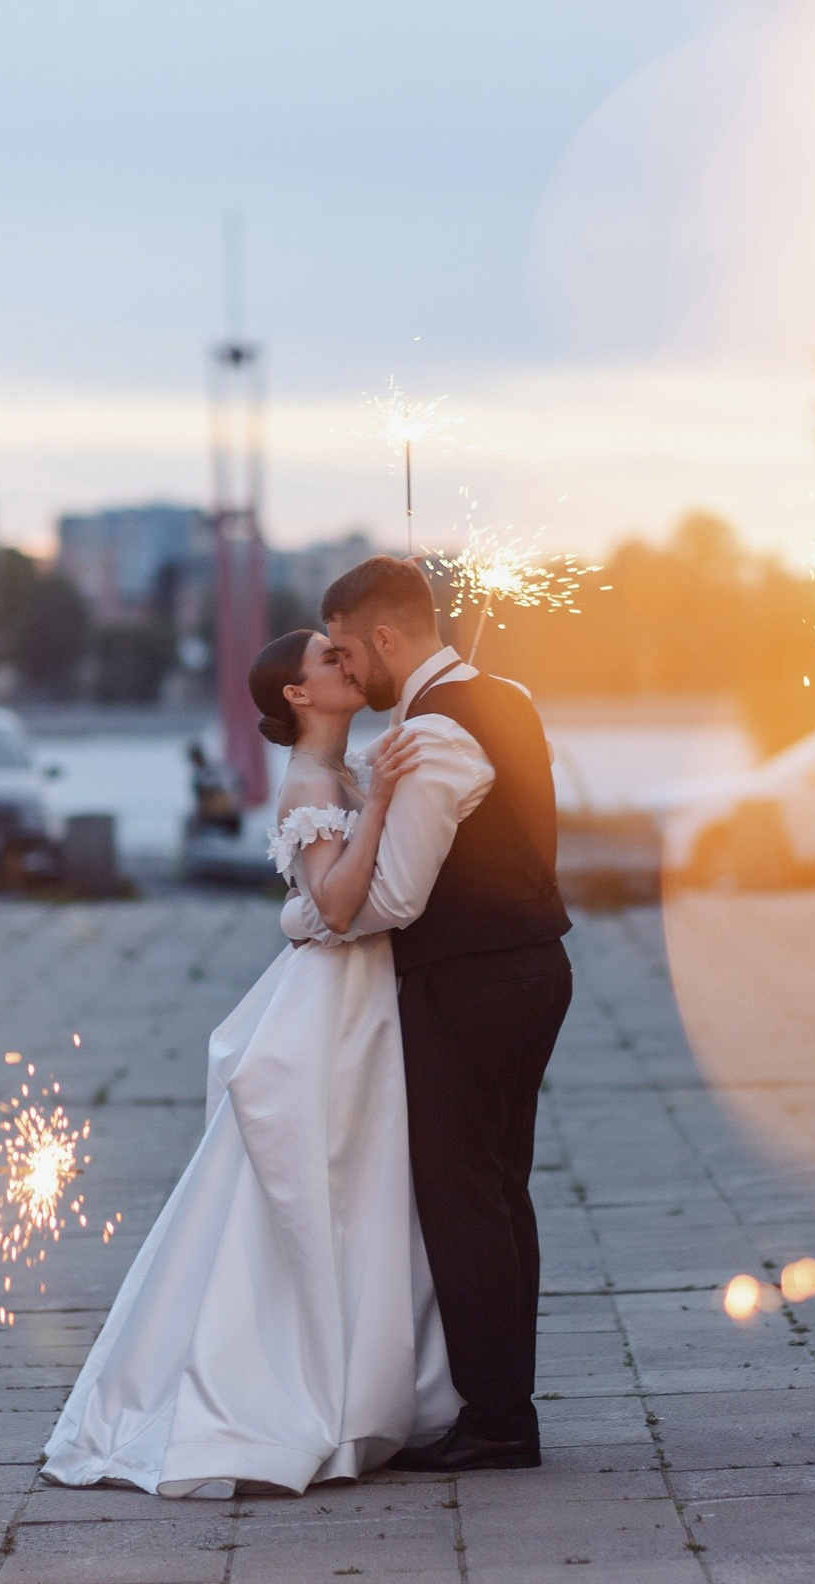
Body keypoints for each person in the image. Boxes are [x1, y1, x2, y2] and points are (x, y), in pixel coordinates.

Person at [42, 629, 456, 1496]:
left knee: (363, 1187)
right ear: (299, 696)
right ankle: (292, 1390)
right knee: (319, 1188)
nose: (348, 663)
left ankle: (366, 1381)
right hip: (330, 1008)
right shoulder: (312, 783)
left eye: (348, 652)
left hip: (361, 1001)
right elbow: (336, 906)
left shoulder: (338, 773)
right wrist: (380, 802)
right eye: (329, 661)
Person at [295, 556, 574, 1474]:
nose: (344, 667)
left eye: (344, 648)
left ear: (382, 638)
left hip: (471, 981)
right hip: (524, 970)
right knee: (498, 1193)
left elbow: (401, 896)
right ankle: (504, 1408)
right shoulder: (505, 697)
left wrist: (316, 916)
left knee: (462, 1198)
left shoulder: (439, 733)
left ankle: (497, 1419)